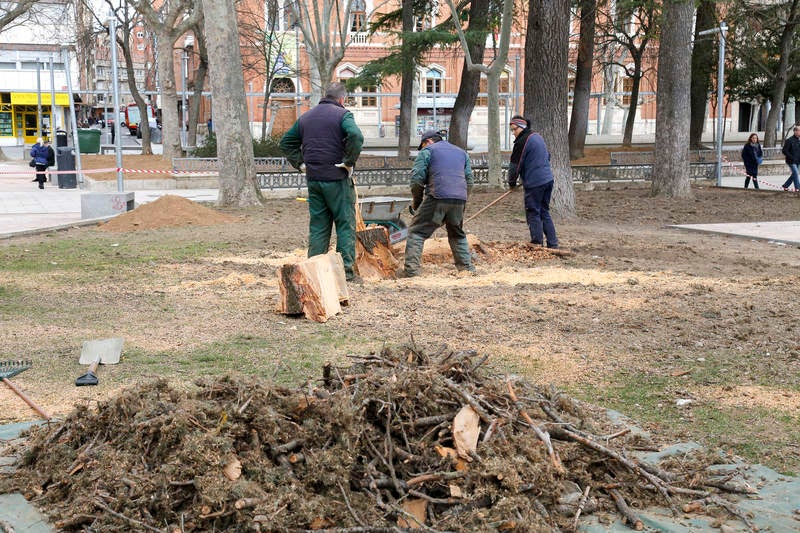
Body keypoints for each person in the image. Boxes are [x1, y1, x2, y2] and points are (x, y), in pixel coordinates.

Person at [280, 82, 364, 282]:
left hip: (314, 179)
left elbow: (286, 142)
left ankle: (314, 273)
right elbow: (356, 136)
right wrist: (349, 162)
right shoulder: (343, 115)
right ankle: (346, 274)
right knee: (345, 224)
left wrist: (301, 164)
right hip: (337, 179)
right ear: (342, 99)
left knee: (318, 226)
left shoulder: (306, 117)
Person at [398, 129, 475, 278]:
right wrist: (462, 199)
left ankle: (411, 272)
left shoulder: (427, 151)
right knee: (456, 233)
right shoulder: (461, 152)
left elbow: (416, 180)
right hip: (459, 198)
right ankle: (467, 269)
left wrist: (417, 203)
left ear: (428, 141)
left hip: (437, 195)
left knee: (416, 232)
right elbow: (469, 181)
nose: (423, 148)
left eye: (423, 144)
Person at [508, 119, 558, 249]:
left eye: (515, 129)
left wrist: (512, 183)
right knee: (544, 211)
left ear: (522, 127)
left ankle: (537, 244)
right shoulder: (537, 136)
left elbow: (515, 165)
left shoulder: (522, 142)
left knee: (533, 211)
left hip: (535, 182)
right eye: (512, 130)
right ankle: (553, 244)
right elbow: (548, 156)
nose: (513, 133)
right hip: (547, 179)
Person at [781, 125, 800, 191]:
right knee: (796, 173)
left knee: (794, 174)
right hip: (791, 161)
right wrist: (792, 157)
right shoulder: (789, 140)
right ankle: (798, 188)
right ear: (795, 131)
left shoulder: (799, 140)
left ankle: (785, 185)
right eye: (799, 130)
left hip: (798, 161)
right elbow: (784, 151)